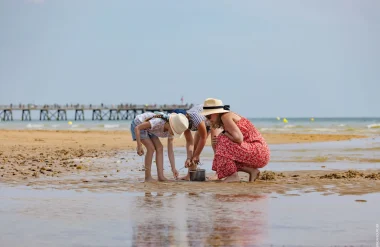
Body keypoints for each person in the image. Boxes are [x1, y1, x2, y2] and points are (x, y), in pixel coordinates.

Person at [201, 98, 270, 182]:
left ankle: (233, 176)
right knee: (225, 153)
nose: (208, 119)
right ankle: (252, 171)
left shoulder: (225, 116)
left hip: (258, 151)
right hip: (261, 153)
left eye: (208, 116)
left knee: (222, 140)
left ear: (215, 113)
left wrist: (223, 133)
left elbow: (238, 138)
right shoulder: (227, 116)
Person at [131, 112, 189, 182]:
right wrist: (139, 145)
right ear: (171, 125)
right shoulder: (158, 122)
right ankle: (147, 177)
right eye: (174, 132)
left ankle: (161, 176)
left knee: (160, 148)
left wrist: (173, 168)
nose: (174, 134)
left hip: (151, 129)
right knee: (151, 148)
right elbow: (137, 128)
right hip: (138, 124)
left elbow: (170, 151)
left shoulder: (170, 132)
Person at [170, 105, 218, 180]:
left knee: (215, 145)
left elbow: (203, 137)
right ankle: (190, 175)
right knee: (195, 150)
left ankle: (218, 174)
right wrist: (189, 158)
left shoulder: (196, 118)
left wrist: (197, 155)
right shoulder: (181, 123)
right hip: (203, 124)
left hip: (213, 119)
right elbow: (189, 141)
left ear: (186, 118)